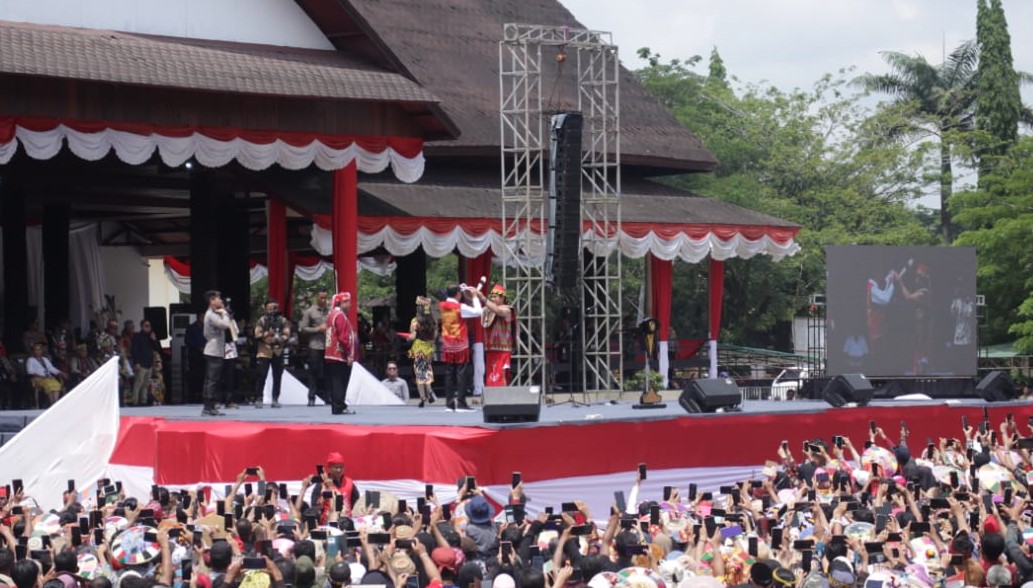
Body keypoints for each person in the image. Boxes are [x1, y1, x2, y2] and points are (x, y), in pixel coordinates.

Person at [439, 284, 483, 412]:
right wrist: (474, 297)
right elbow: (478, 312)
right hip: (460, 343)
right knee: (461, 373)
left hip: (447, 342)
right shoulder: (460, 307)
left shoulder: (442, 305)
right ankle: (462, 403)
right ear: (458, 294)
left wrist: (461, 288)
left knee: (449, 373)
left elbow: (453, 293)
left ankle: (449, 403)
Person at [253, 299, 292, 408]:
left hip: (278, 350)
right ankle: (259, 398)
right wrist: (267, 334)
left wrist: (278, 339)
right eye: (269, 308)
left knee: (277, 376)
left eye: (274, 308)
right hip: (264, 351)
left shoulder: (283, 320)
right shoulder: (262, 320)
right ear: (265, 309)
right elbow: (257, 335)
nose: (272, 311)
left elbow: (287, 334)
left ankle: (275, 398)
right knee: (262, 375)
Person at [202, 290, 233, 416]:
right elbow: (225, 325)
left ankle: (210, 406)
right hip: (213, 350)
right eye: (218, 299)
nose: (221, 301)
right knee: (212, 380)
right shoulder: (211, 314)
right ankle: (208, 407)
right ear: (212, 301)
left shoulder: (214, 313)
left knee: (212, 379)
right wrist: (225, 313)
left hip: (215, 349)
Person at [325, 292, 356, 416]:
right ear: (341, 303)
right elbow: (343, 337)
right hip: (339, 354)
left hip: (331, 353)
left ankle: (337, 406)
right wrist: (349, 353)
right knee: (340, 382)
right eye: (347, 302)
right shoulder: (340, 316)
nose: (350, 305)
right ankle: (339, 406)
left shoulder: (332, 314)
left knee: (336, 381)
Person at [404, 296, 437, 408]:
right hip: (429, 347)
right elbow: (435, 336)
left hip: (418, 347)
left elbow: (412, 336)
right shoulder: (432, 320)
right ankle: (429, 392)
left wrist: (407, 337)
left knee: (419, 373)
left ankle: (424, 396)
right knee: (426, 370)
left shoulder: (415, 321)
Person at [299, 289, 330, 407]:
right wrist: (317, 329)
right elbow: (302, 328)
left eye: (325, 298)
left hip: (328, 345)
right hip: (315, 345)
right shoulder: (309, 312)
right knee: (313, 372)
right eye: (321, 298)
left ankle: (329, 397)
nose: (323, 300)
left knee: (329, 372)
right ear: (317, 297)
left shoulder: (330, 311)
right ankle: (311, 397)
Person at [311, 451, 360, 522]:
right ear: (330, 468)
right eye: (336, 467)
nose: (339, 470)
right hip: (327, 523)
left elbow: (356, 503)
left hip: (346, 523)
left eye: (341, 467)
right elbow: (315, 506)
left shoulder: (350, 482)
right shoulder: (321, 484)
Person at [482, 284, 514, 387]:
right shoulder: (488, 310)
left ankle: (503, 399)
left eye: (495, 297)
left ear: (502, 298)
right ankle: (491, 398)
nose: (492, 299)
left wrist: (482, 297)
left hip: (503, 350)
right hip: (490, 349)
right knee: (491, 374)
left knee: (501, 375)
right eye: (492, 297)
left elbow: (498, 311)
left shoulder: (507, 310)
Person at [130, 319, 161, 406]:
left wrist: (154, 340)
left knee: (145, 384)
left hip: (148, 364)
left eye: (149, 326)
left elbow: (156, 348)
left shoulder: (150, 337)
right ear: (142, 326)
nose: (148, 328)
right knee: (138, 383)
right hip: (141, 363)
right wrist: (136, 362)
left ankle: (143, 401)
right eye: (146, 326)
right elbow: (134, 350)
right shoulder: (138, 337)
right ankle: (135, 401)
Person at [25, 342, 65, 406]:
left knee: (56, 384)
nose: (38, 351)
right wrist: (42, 377)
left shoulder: (45, 359)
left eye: (39, 349)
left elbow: (51, 368)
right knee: (49, 385)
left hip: (48, 377)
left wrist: (61, 373)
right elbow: (30, 372)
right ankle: (52, 404)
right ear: (33, 351)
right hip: (38, 379)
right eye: (36, 349)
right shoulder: (30, 360)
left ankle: (56, 403)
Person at [184, 311, 206, 404]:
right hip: (194, 355)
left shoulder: (206, 328)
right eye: (201, 317)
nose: (203, 319)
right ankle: (192, 395)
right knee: (194, 376)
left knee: (203, 376)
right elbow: (187, 341)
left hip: (204, 356)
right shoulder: (191, 327)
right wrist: (198, 347)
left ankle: (202, 394)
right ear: (198, 317)